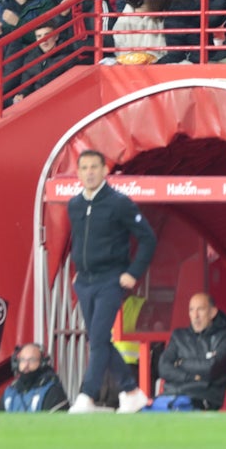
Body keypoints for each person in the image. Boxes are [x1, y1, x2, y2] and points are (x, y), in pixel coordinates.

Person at [64, 149, 158, 414]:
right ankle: (131, 391)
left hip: (110, 280)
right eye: (84, 168)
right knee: (99, 340)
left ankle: (87, 396)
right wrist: (76, 272)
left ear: (105, 170)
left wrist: (133, 272)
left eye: (95, 167)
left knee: (98, 339)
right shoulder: (74, 205)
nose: (90, 172)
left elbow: (148, 238)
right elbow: (80, 241)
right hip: (84, 282)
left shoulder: (119, 203)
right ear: (79, 172)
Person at [154, 293, 226, 411]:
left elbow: (212, 367)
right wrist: (190, 377)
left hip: (203, 398)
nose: (195, 315)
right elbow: (163, 368)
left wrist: (181, 362)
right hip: (169, 396)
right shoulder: (179, 335)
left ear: (213, 312)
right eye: (191, 310)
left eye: (201, 309)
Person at [0, 343, 68, 413]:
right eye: (22, 360)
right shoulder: (9, 393)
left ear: (42, 363)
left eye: (32, 360)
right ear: (17, 363)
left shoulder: (52, 391)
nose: (26, 365)